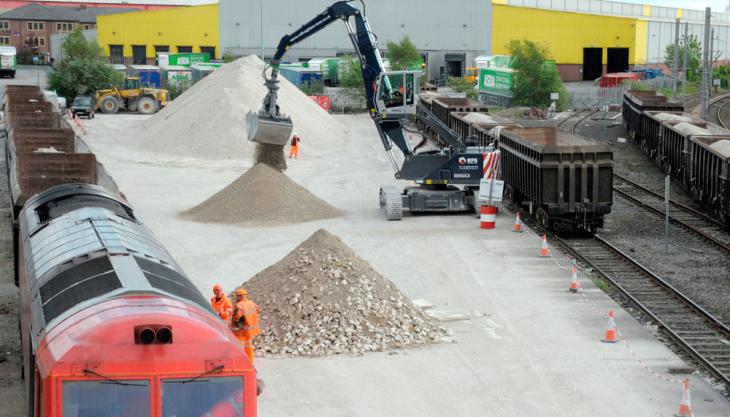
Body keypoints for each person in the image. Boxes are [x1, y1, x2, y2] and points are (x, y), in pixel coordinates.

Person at [231, 288, 261, 364]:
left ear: (240, 296)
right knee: (249, 349)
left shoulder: (239, 305)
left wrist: (234, 319)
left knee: (239, 349)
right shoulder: (252, 303)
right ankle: (250, 364)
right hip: (249, 331)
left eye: (237, 296)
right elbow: (258, 310)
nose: (236, 297)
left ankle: (240, 365)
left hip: (240, 332)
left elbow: (237, 317)